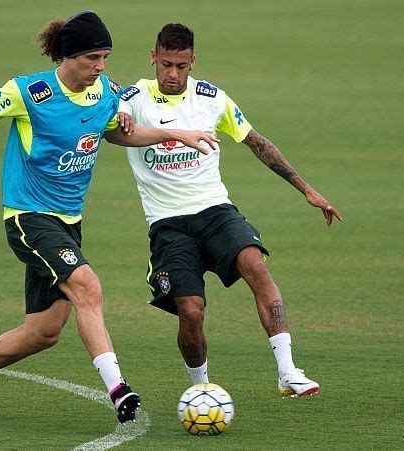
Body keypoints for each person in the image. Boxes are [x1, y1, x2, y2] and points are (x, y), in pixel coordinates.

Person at [0, 12, 216, 421]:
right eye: (93, 58)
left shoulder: (106, 91)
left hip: (68, 223)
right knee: (88, 287)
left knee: (43, 332)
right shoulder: (29, 91)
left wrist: (174, 133)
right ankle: (119, 389)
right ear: (68, 56)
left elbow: (119, 132)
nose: (101, 66)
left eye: (105, 57)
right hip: (28, 216)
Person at [118, 23, 342, 397]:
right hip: (168, 223)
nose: (173, 74)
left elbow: (257, 142)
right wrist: (123, 119)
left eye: (182, 66)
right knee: (190, 311)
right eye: (166, 64)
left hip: (215, 210)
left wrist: (306, 189)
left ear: (193, 62)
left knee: (256, 265)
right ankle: (201, 389)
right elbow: (115, 129)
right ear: (153, 58)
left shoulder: (212, 99)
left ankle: (288, 371)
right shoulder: (133, 98)